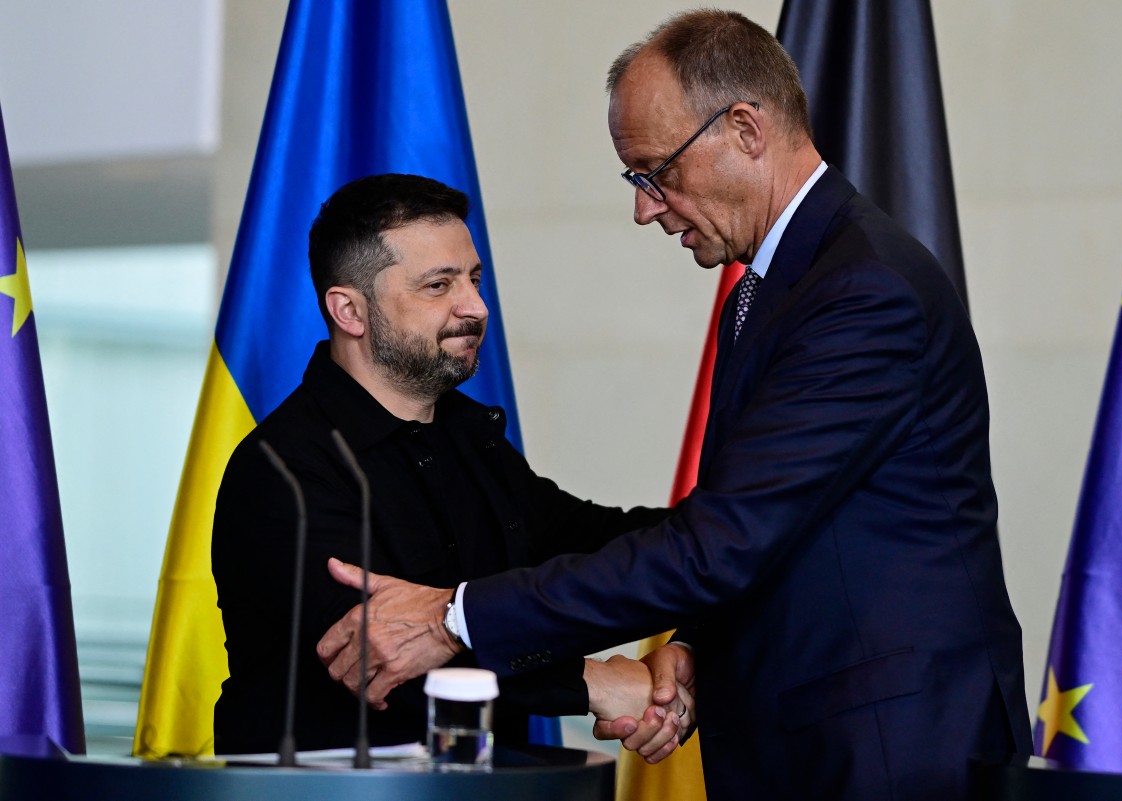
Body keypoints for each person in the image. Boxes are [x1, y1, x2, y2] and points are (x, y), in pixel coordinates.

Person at [314, 11, 1033, 799]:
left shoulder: (861, 294)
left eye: (655, 172)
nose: (647, 208)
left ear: (746, 130)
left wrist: (453, 617)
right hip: (825, 740)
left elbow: (723, 541)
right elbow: (771, 525)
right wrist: (689, 642)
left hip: (888, 753)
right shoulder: (774, 290)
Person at [211, 173, 687, 754]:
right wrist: (598, 683)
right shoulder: (279, 469)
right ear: (349, 311)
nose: (476, 307)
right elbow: (380, 659)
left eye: (474, 278)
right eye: (439, 285)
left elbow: (591, 545)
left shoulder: (470, 437)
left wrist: (731, 534)